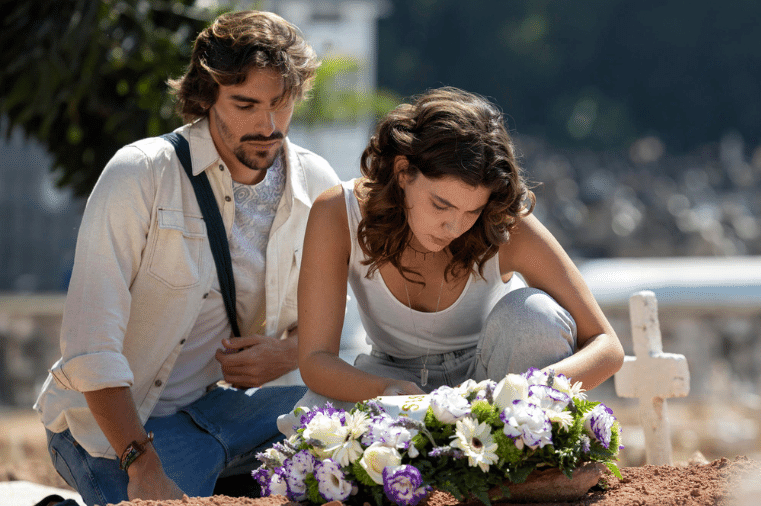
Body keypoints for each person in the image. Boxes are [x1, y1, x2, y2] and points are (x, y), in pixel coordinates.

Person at [33, 10, 339, 504]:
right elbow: (90, 348)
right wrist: (142, 464)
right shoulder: (140, 174)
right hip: (122, 430)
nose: (267, 125)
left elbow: (330, 326)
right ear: (205, 97)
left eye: (280, 104)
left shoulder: (317, 182)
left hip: (239, 412)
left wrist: (288, 353)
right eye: (245, 104)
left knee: (360, 441)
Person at [280, 87, 624, 429]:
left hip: (494, 381)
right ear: (403, 171)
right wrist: (391, 390)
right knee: (310, 426)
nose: (454, 226)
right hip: (390, 379)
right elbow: (315, 360)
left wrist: (524, 390)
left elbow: (607, 347)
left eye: (471, 210)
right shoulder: (338, 212)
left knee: (534, 315)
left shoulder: (502, 222)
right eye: (441, 205)